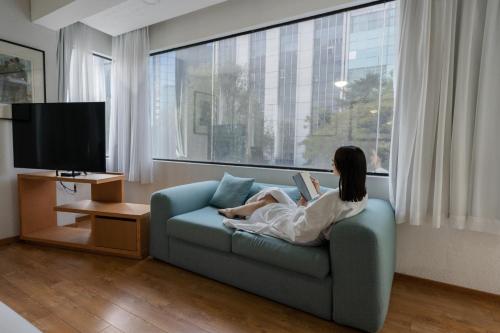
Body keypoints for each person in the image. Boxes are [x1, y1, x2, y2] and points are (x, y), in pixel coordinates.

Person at [219, 146, 369, 245]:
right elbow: (324, 212)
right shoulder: (361, 194)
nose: (332, 163)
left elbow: (302, 228)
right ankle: (234, 211)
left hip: (298, 232)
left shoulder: (335, 197)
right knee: (274, 193)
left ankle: (233, 212)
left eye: (333, 161)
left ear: (342, 166)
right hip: (308, 225)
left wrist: (304, 202)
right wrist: (314, 196)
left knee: (268, 202)